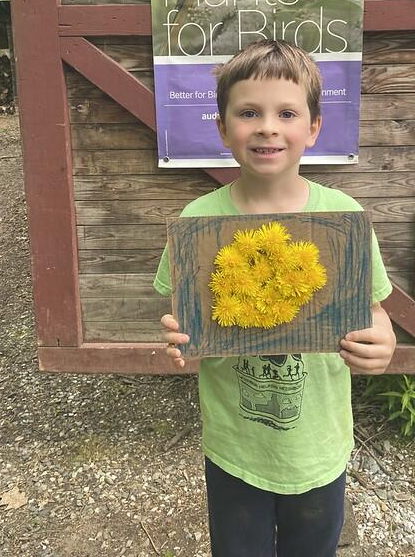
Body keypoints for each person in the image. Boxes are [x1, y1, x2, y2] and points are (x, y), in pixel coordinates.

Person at [154, 40, 396, 557]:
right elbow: (185, 317)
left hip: (319, 445)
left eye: (286, 112)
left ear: (313, 128)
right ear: (222, 128)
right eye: (248, 113)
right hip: (234, 447)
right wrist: (179, 336)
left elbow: (375, 314)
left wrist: (383, 342)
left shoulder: (343, 219)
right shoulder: (198, 224)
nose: (267, 126)